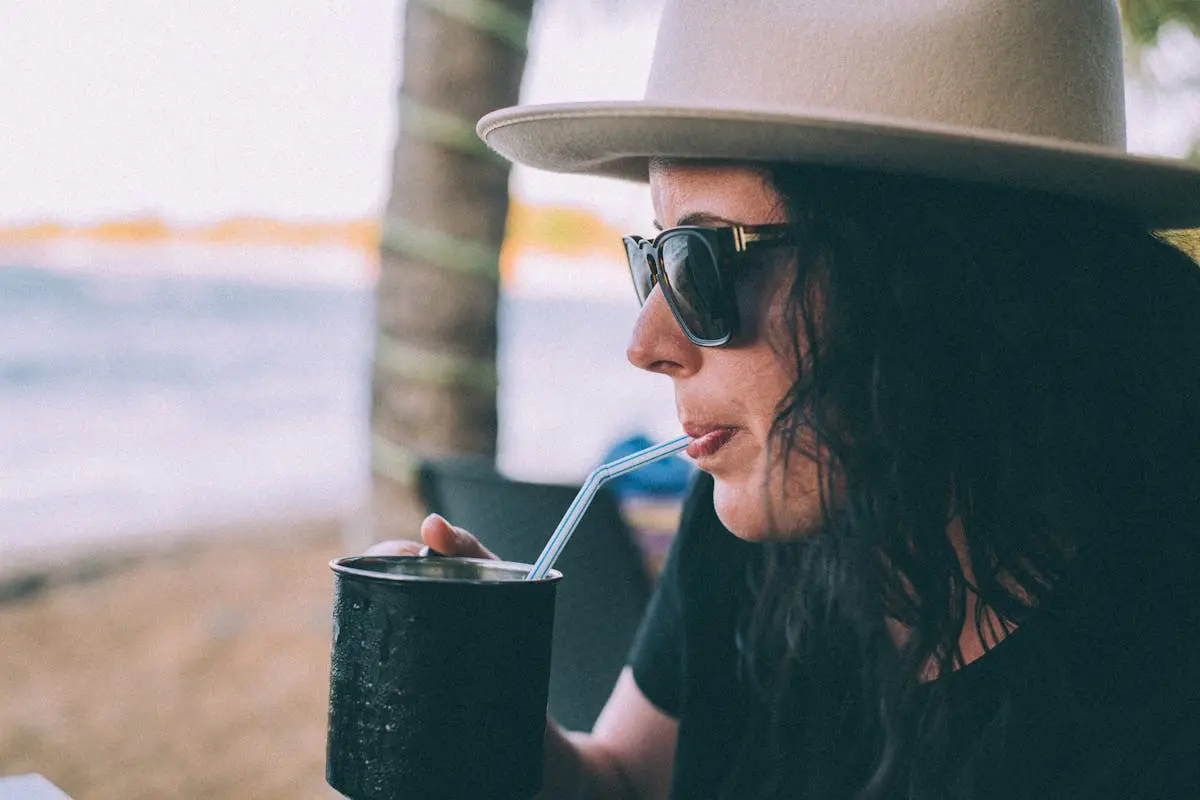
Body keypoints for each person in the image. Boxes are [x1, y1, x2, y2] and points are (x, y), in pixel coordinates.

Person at [368, 0, 1200, 797]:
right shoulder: (754, 502)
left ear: (930, 279)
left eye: (700, 262)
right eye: (653, 260)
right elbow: (623, 783)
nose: (647, 343)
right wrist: (482, 718)